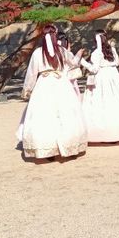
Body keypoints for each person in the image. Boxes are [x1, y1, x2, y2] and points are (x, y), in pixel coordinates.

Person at [16, 25, 88, 161]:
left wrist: (28, 90)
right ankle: (70, 146)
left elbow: (31, 73)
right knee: (66, 114)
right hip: (62, 83)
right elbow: (73, 63)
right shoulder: (62, 51)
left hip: (44, 84)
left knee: (45, 115)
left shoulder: (38, 53)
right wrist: (78, 54)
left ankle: (49, 150)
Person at [81, 30, 119, 144]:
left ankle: (105, 133)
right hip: (114, 78)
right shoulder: (111, 50)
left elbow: (94, 69)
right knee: (116, 101)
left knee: (101, 103)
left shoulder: (96, 53)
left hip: (102, 78)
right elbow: (117, 62)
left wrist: (82, 62)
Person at [56, 32, 84, 101]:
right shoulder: (66, 52)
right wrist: (78, 54)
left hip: (56, 77)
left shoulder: (53, 52)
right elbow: (74, 63)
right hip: (68, 78)